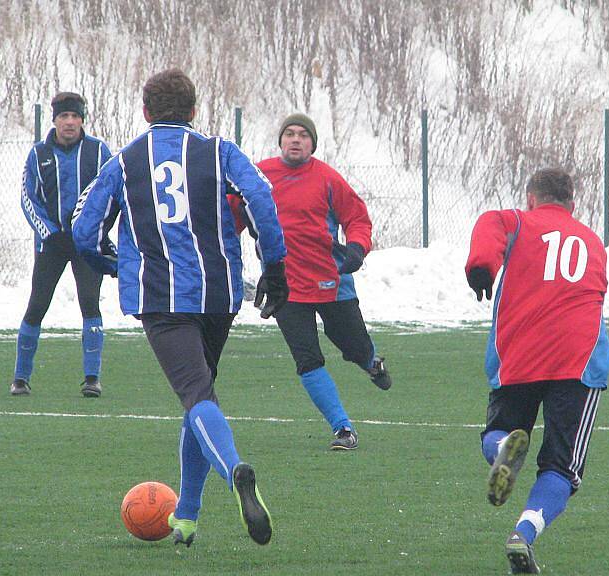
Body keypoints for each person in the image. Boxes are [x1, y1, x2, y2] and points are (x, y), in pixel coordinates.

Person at [72, 68, 288, 547]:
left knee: (196, 397)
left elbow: (83, 229)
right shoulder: (219, 150)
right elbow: (262, 200)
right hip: (218, 295)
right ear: (194, 111)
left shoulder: (124, 161)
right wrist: (274, 267)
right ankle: (186, 516)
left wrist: (107, 262)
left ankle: (235, 472)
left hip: (161, 297)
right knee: (199, 394)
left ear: (145, 112)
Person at [465, 167, 609, 575]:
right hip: (578, 360)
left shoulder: (516, 220)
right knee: (562, 467)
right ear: (573, 205)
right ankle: (523, 533)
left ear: (531, 198)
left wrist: (481, 267)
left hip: (521, 351)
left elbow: (489, 224)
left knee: (498, 431)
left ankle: (501, 453)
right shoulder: (592, 241)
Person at [233, 113, 391, 451]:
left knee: (353, 346)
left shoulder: (328, 179)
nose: (295, 139)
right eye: (289, 133)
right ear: (280, 141)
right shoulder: (259, 177)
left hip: (332, 282)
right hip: (284, 286)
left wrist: (358, 249)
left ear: (312, 144)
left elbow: (358, 219)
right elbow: (231, 215)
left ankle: (372, 363)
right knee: (307, 359)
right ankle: (343, 429)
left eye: (303, 135)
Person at [11, 92, 112, 398]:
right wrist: (49, 232)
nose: (69, 122)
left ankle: (92, 378)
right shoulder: (38, 153)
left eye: (75, 116)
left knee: (90, 303)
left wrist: (96, 231)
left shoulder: (98, 151)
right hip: (51, 243)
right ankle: (20, 378)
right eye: (64, 117)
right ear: (54, 120)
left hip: (86, 244)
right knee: (37, 305)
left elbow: (111, 193)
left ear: (83, 120)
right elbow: (28, 198)